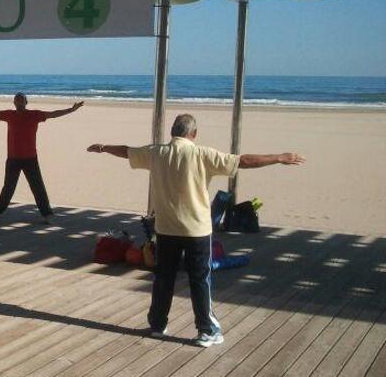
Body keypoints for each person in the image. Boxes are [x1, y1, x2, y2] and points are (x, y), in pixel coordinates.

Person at [87, 113, 305, 348]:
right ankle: (206, 330)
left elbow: (127, 151)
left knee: (164, 278)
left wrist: (104, 147)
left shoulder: (156, 153)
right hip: (196, 230)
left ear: (173, 132)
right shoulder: (202, 154)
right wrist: (279, 157)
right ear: (194, 134)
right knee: (200, 279)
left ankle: (157, 325)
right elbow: (243, 161)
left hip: (167, 229)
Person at [0, 93, 83, 224]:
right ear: (14, 103)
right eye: (16, 100)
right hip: (13, 158)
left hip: (30, 159)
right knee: (8, 187)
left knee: (38, 187)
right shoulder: (9, 114)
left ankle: (47, 214)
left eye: (21, 100)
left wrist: (71, 110)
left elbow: (53, 114)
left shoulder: (35, 115)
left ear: (26, 102)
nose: (19, 102)